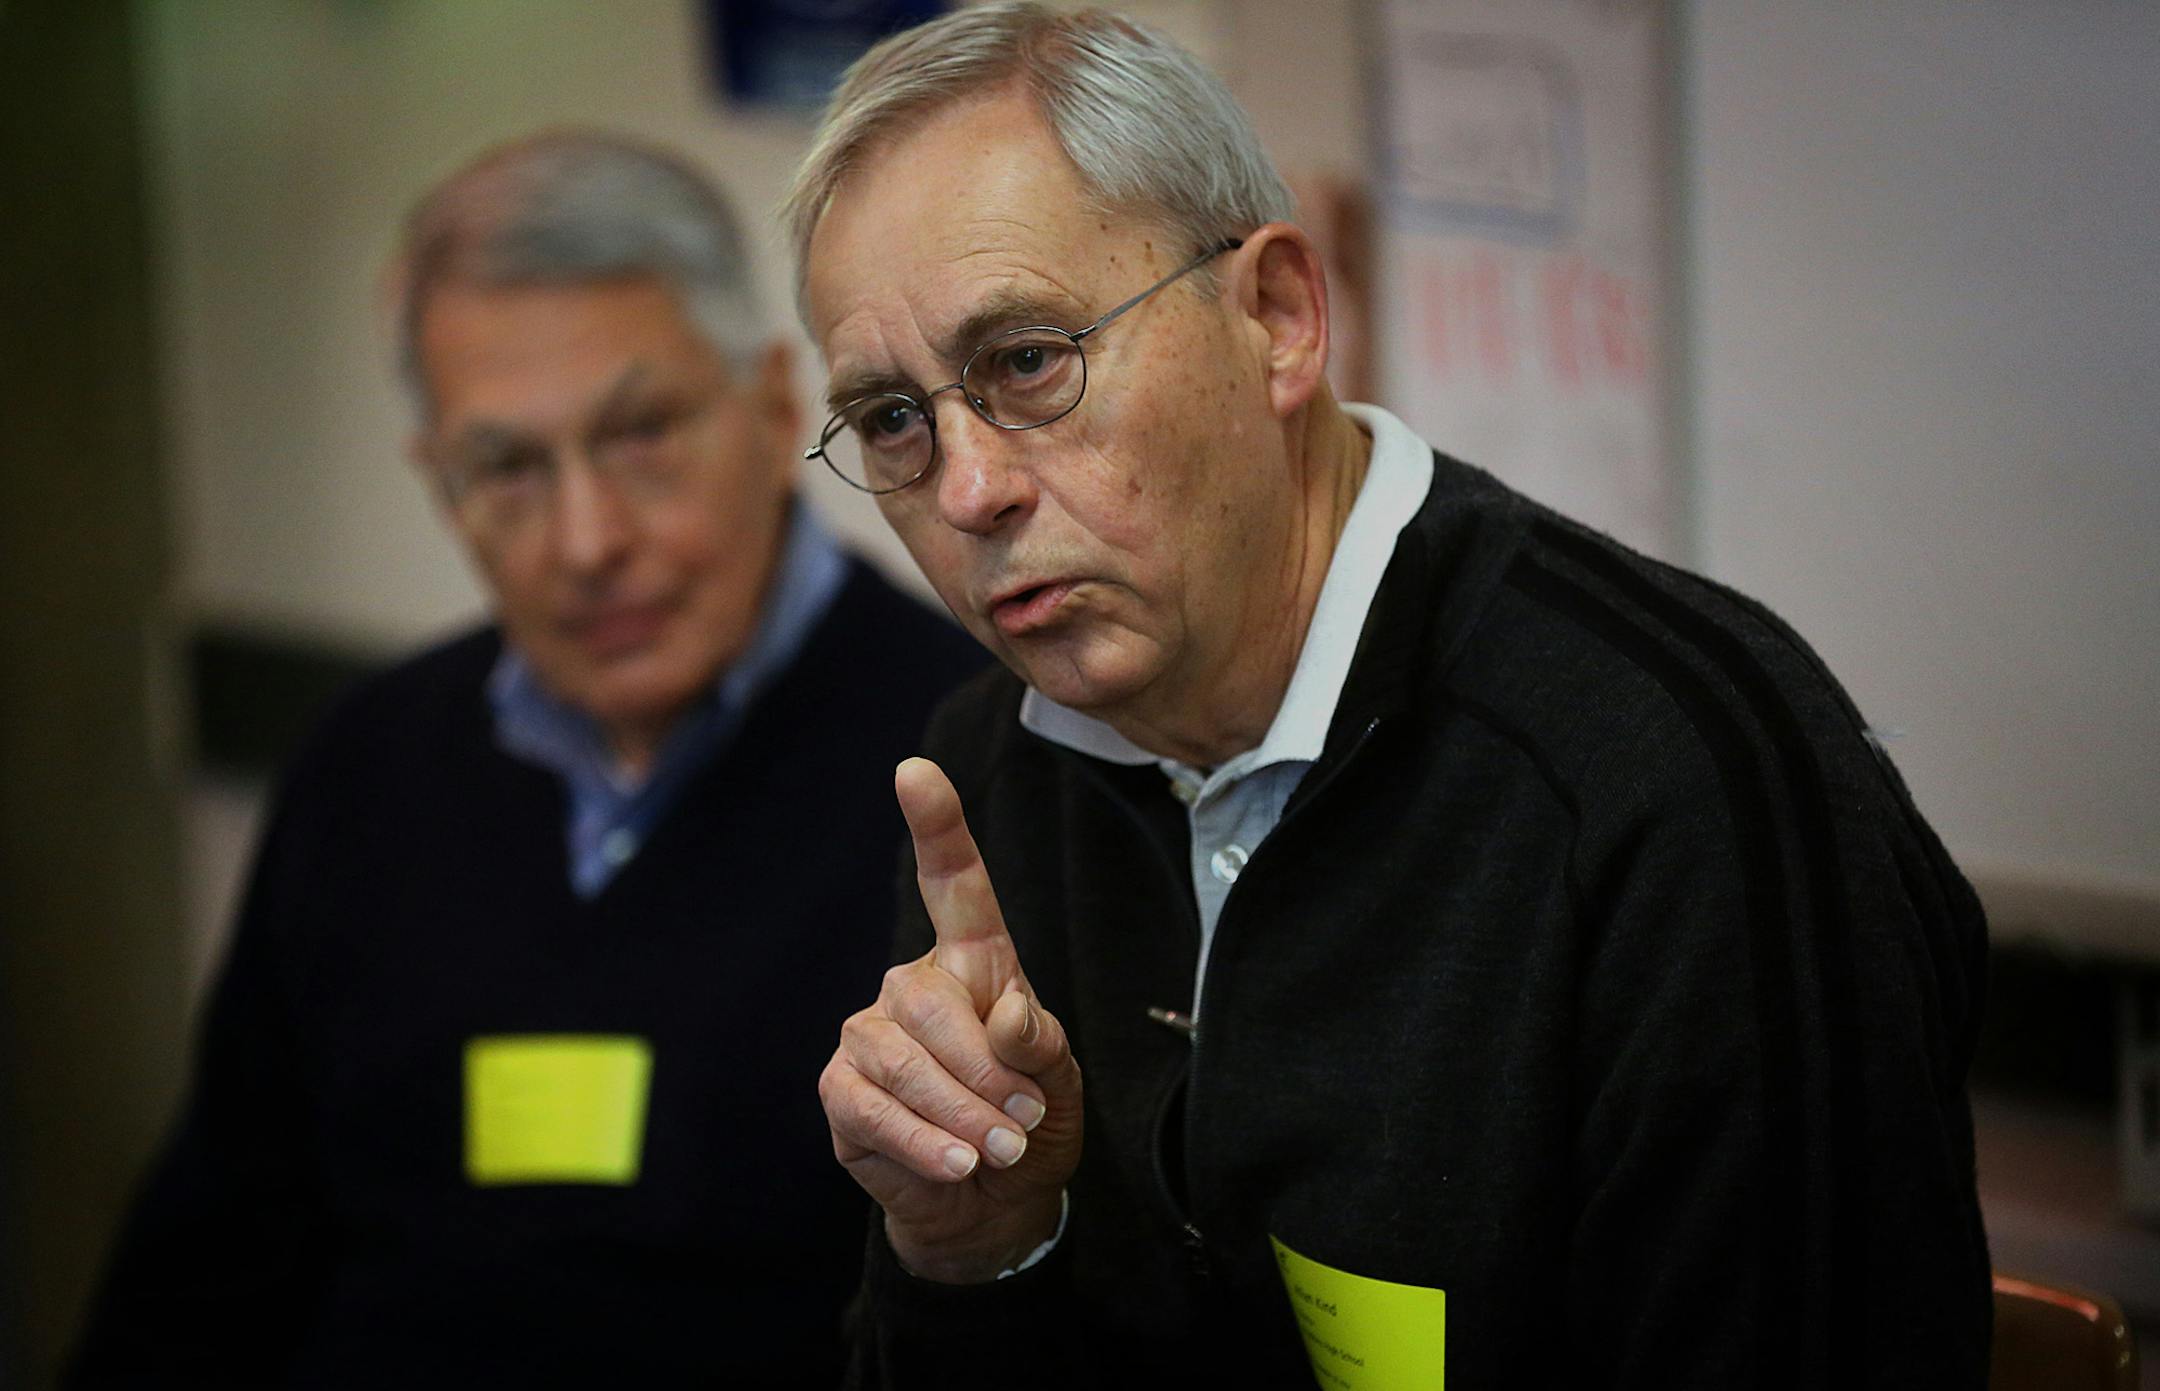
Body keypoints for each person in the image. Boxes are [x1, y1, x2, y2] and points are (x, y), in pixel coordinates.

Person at [790, 6, 1993, 1387]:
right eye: (892, 418)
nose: (967, 490)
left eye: (1027, 362)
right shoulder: (983, 777)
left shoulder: (1679, 780)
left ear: (1279, 320)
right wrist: (981, 1247)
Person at [68, 131, 982, 1387]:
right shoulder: (368, 765)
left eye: (641, 433)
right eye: (505, 467)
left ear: (775, 407)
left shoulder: (967, 767)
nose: (587, 539)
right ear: (439, 485)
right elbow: (208, 1266)